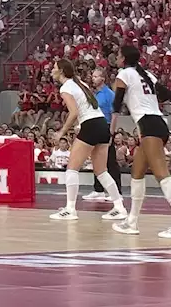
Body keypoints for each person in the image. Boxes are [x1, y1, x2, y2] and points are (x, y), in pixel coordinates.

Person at [112, 44, 171, 239]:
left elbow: (117, 103)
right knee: (137, 172)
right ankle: (131, 221)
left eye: (118, 56)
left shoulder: (124, 74)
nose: (116, 58)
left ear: (123, 59)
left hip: (149, 125)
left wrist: (111, 129)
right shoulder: (146, 74)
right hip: (157, 123)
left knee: (161, 174)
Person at [48, 59, 126, 221]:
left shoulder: (66, 87)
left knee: (72, 169)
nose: (51, 70)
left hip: (90, 125)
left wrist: (62, 132)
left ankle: (70, 209)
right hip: (102, 124)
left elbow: (74, 112)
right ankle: (119, 207)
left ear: (61, 71)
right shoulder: (80, 83)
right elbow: (91, 105)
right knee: (102, 171)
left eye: (54, 68)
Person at [84, 68, 122, 203]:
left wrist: (111, 133)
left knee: (110, 160)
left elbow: (114, 114)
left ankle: (117, 191)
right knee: (96, 158)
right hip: (96, 126)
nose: (93, 78)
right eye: (93, 76)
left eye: (95, 76)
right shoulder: (96, 94)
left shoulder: (109, 94)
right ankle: (98, 189)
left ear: (102, 79)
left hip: (106, 127)